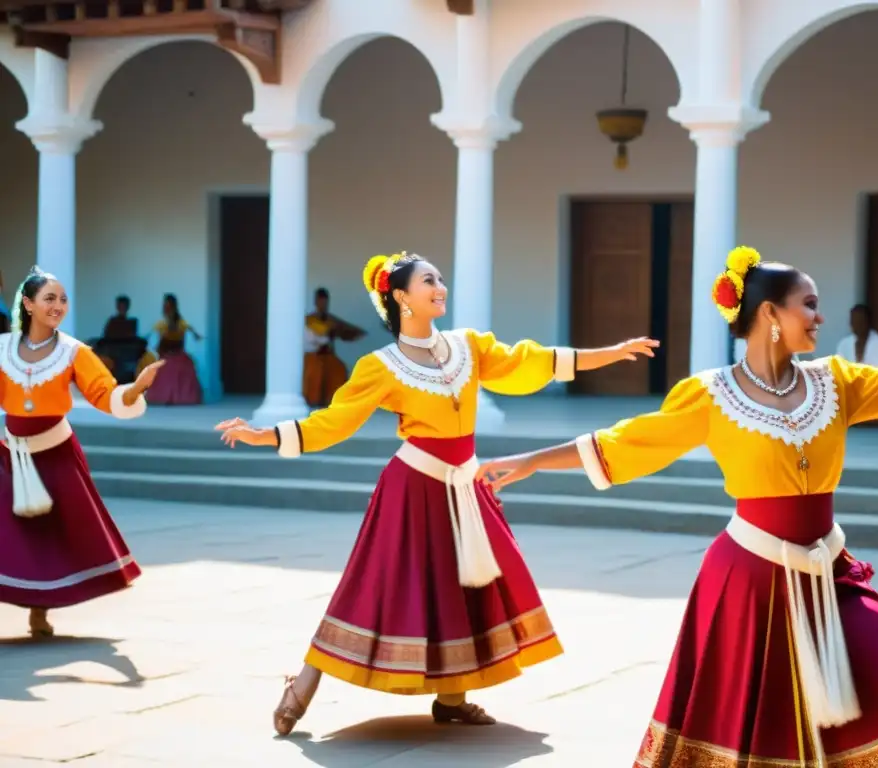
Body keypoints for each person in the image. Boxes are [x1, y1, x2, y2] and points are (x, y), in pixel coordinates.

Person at [476, 246, 878, 768]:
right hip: (749, 579)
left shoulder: (837, 382)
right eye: (808, 303)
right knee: (755, 721)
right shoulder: (712, 395)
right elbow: (628, 442)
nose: (819, 316)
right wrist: (533, 460)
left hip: (829, 572)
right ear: (769, 313)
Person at [215, 252, 660, 735]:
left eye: (441, 279)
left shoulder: (467, 347)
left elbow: (529, 361)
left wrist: (611, 353)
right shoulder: (380, 366)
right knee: (373, 586)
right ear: (401, 296)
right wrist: (267, 434)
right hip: (413, 488)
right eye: (429, 280)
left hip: (463, 483)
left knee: (466, 588)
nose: (441, 286)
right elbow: (332, 422)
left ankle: (452, 698)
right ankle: (303, 682)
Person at [0, 266, 164, 638]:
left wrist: (135, 389)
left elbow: (105, 395)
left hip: (55, 454)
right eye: (49, 298)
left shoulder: (74, 352)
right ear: (28, 304)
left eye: (62, 299)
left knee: (47, 535)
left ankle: (39, 612)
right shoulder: (2, 349)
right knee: (9, 535)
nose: (58, 305)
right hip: (10, 454)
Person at [303, 287, 366, 407]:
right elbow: (312, 340)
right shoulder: (309, 320)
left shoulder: (331, 320)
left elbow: (349, 331)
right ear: (316, 302)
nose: (323, 304)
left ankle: (332, 400)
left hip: (328, 355)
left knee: (339, 368)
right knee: (315, 370)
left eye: (325, 302)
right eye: (320, 301)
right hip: (313, 355)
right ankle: (312, 400)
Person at [144, 293, 203, 405]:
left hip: (176, 355)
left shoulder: (180, 323)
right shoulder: (162, 324)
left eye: (168, 306)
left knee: (175, 367)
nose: (166, 309)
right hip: (166, 355)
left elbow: (186, 335)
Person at [836, 303, 878, 367]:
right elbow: (840, 370)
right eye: (853, 321)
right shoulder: (844, 344)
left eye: (860, 322)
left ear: (868, 322)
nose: (856, 325)